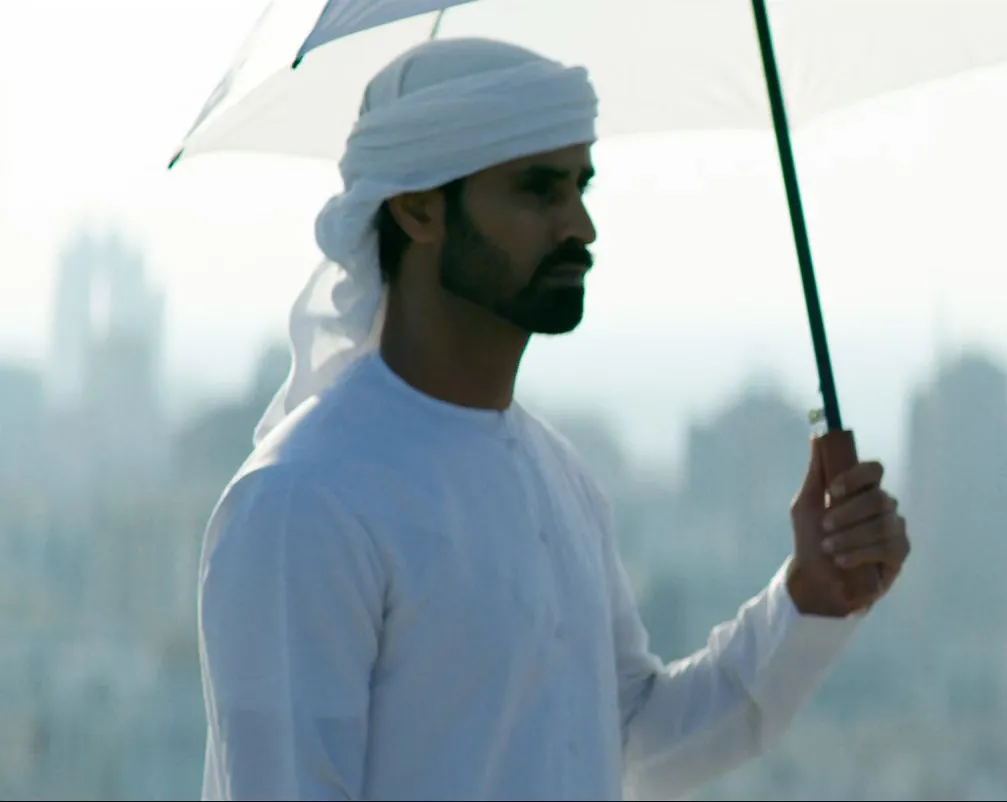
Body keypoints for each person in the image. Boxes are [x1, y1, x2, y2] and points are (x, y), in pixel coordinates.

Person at [196, 38, 911, 801]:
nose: (581, 226)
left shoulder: (559, 477)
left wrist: (809, 598)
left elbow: (628, 744)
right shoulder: (306, 500)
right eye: (538, 191)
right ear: (419, 208)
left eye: (580, 187)